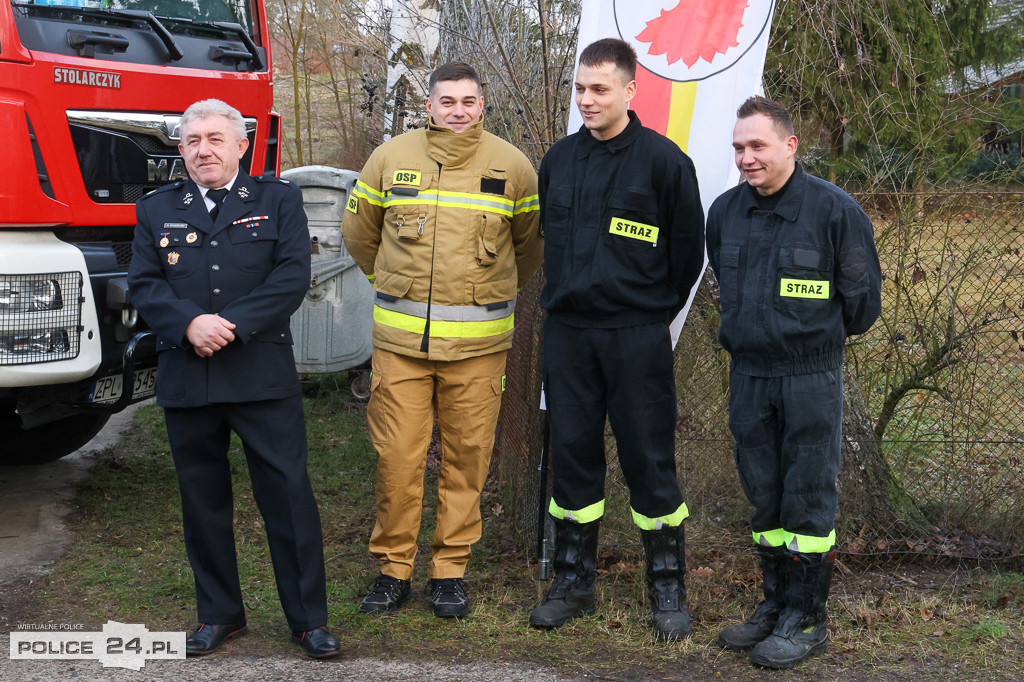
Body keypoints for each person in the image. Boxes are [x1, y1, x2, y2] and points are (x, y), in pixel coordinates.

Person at [127, 99, 339, 659]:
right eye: (193, 141)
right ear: (181, 149)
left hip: (260, 376)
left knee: (289, 498)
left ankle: (307, 621)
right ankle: (219, 614)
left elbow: (292, 276)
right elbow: (145, 285)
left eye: (216, 139)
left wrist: (231, 325)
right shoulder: (155, 210)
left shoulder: (277, 200)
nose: (204, 150)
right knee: (203, 502)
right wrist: (189, 323)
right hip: (188, 376)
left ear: (241, 145)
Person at [341, 62, 543, 618]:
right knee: (397, 460)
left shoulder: (513, 167)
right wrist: (389, 284)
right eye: (447, 101)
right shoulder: (390, 158)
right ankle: (393, 569)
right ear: (428, 106)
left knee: (467, 460)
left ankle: (449, 572)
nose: (458, 110)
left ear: (483, 106)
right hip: (400, 347)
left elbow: (528, 251)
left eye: (468, 101)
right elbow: (360, 234)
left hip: (480, 351)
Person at [529, 38, 706, 640]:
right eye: (580, 88)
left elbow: (687, 255)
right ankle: (573, 581)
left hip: (636, 336)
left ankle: (667, 586)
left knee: (649, 458)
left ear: (631, 91)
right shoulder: (558, 159)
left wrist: (648, 313)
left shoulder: (664, 163)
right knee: (573, 455)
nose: (586, 99)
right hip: (570, 335)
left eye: (599, 89)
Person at [707, 96, 882, 669]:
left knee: (807, 496)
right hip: (749, 374)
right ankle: (775, 604)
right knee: (765, 496)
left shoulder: (835, 213)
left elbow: (861, 306)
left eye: (757, 146)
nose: (746, 158)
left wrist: (808, 334)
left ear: (790, 145)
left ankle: (807, 617)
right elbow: (722, 290)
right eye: (738, 148)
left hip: (809, 376)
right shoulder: (726, 212)